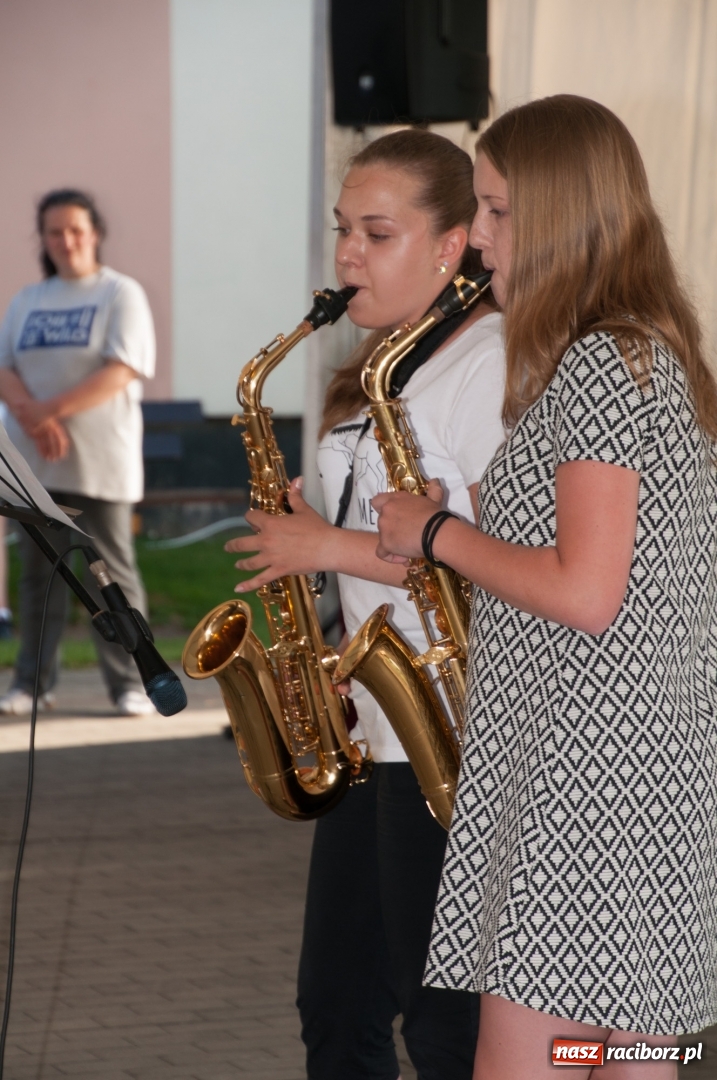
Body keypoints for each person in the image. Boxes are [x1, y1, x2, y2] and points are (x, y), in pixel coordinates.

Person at [372, 95, 717, 1079]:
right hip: (642, 788)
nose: (477, 238)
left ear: (561, 215)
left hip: (582, 785)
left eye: (495, 209)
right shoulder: (650, 352)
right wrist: (475, 521)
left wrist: (434, 534)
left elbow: (585, 592)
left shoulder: (601, 364)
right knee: (623, 1060)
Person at [225, 129, 506, 1079]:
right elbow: (377, 544)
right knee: (336, 1008)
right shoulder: (381, 369)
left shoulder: (492, 365)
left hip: (452, 731)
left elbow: (497, 564)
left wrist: (327, 546)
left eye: (376, 233)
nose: (346, 255)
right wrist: (312, 568)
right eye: (343, 229)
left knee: (441, 1027)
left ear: (452, 243)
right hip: (375, 725)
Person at [0, 189, 156, 716]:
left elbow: (121, 368)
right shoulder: (28, 299)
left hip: (100, 462)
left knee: (111, 572)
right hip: (32, 465)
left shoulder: (120, 293)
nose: (66, 240)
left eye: (75, 229)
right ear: (42, 239)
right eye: (54, 232)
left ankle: (136, 681)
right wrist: (30, 414)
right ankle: (31, 684)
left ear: (95, 232)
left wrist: (48, 413)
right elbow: (5, 368)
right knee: (39, 578)